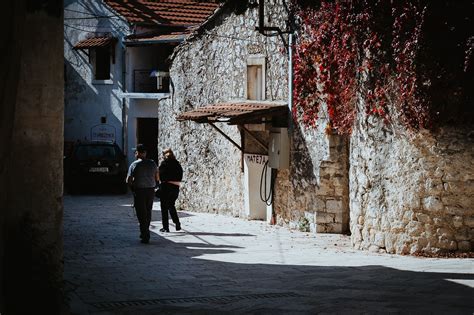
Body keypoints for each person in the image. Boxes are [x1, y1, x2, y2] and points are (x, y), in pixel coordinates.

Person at [126, 144, 158, 244]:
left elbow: (128, 180)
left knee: (141, 213)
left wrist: (132, 189)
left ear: (138, 153)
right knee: (148, 211)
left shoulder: (134, 164)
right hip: (151, 190)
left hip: (139, 191)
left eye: (136, 152)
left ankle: (145, 234)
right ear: (145, 153)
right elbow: (157, 177)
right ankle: (145, 231)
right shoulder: (153, 163)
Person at [158, 148, 183, 232]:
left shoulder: (164, 164)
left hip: (166, 187)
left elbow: (160, 176)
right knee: (171, 205)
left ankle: (166, 227)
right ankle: (177, 222)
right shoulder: (177, 164)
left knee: (164, 208)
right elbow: (180, 176)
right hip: (175, 187)